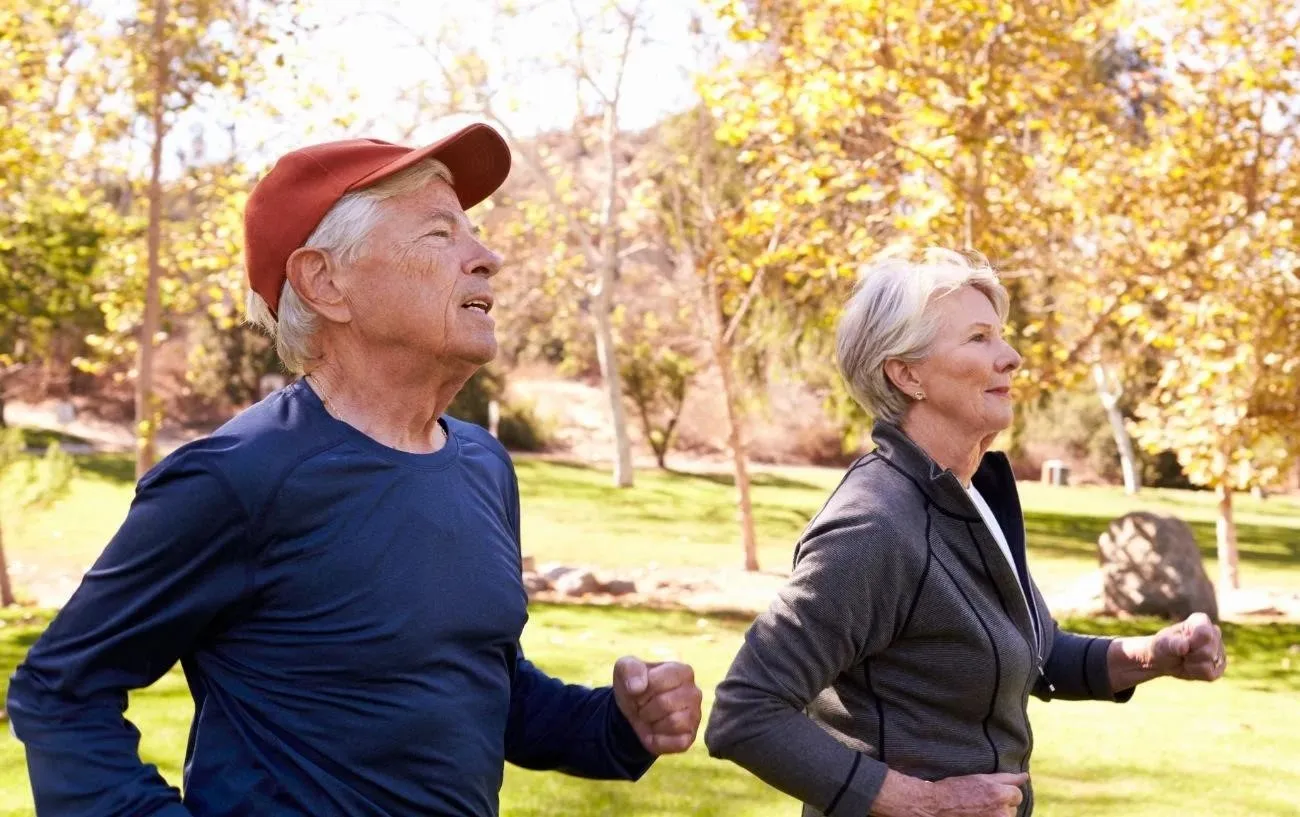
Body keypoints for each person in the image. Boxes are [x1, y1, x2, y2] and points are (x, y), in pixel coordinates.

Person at [8, 123, 703, 817]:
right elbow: (59, 694)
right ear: (325, 281)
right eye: (439, 234)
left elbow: (477, 684)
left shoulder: (483, 465)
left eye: (473, 233)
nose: (486, 256)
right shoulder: (238, 478)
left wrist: (615, 725)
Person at [704, 249, 1225, 817]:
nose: (1012, 357)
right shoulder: (873, 526)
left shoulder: (967, 496)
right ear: (906, 374)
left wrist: (1152, 656)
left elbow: (1033, 651)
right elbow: (746, 710)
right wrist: (921, 801)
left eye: (1001, 336)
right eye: (979, 338)